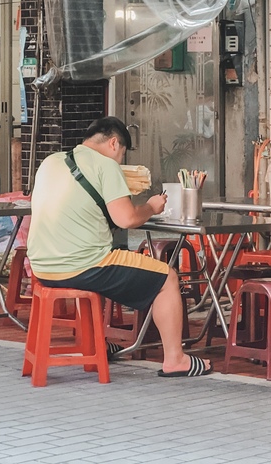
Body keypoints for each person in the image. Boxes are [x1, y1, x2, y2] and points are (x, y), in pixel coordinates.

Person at [27, 116, 211, 378]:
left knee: (104, 269)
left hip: (42, 267)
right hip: (83, 266)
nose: (120, 161)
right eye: (122, 154)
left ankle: (95, 344)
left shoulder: (50, 161)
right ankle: (176, 359)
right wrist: (151, 206)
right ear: (114, 143)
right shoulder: (106, 166)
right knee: (167, 278)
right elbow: (126, 220)